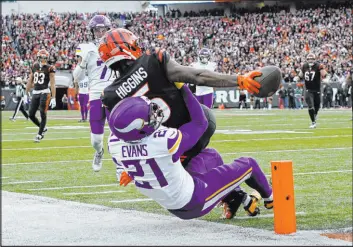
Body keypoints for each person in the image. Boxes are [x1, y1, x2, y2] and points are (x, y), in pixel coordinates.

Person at [98, 28, 265, 218]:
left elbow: (121, 134)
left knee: (184, 181)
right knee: (187, 175)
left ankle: (240, 196)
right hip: (193, 124)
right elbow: (197, 76)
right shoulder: (153, 60)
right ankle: (240, 198)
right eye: (134, 43)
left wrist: (127, 167)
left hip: (177, 136)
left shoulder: (110, 95)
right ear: (126, 47)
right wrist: (238, 80)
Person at [108, 85, 273, 220]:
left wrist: (130, 172)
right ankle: (271, 199)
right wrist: (183, 87)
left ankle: (239, 198)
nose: (155, 115)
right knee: (249, 164)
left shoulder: (114, 144)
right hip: (194, 200)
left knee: (211, 156)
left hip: (172, 201)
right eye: (150, 116)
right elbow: (200, 123)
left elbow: (126, 170)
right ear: (139, 129)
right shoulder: (163, 141)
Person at [73, 15, 113, 172]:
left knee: (118, 133)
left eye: (103, 29)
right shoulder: (86, 48)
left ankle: (120, 166)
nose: (100, 32)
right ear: (92, 31)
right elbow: (76, 77)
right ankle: (99, 152)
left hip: (114, 92)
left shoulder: (115, 46)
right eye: (97, 29)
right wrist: (83, 62)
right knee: (96, 140)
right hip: (95, 93)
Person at [26, 49, 56, 142]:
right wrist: (26, 93)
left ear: (46, 58)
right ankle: (42, 128)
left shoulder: (50, 68)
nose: (43, 59)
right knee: (30, 114)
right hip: (35, 92)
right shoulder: (34, 66)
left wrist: (53, 97)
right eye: (41, 57)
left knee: (43, 113)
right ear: (38, 57)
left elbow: (52, 83)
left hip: (45, 92)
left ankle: (39, 135)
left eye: (44, 58)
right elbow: (30, 80)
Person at [299, 53, 327, 128]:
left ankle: (314, 116)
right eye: (309, 59)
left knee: (317, 106)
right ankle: (313, 122)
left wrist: (322, 71)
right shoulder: (304, 66)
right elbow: (300, 75)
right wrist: (297, 78)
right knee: (310, 106)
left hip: (317, 89)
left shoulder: (318, 66)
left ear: (314, 59)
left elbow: (324, 75)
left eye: (312, 59)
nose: (310, 60)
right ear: (307, 60)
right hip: (308, 89)